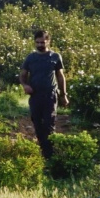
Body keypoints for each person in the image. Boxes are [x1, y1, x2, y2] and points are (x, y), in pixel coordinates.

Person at [20, 30, 69, 158]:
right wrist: (25, 85)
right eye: (38, 42)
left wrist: (63, 95)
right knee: (37, 123)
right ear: (34, 42)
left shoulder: (55, 56)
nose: (40, 44)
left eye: (42, 42)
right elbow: (23, 75)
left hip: (50, 95)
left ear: (48, 41)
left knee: (49, 123)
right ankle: (43, 149)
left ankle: (50, 154)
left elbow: (60, 76)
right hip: (35, 95)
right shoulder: (30, 58)